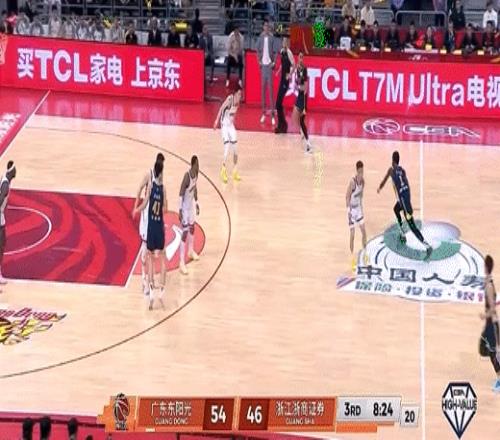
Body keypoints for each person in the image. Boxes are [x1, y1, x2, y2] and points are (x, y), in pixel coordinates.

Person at [377, 151, 432, 260]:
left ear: (392, 161)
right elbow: (406, 186)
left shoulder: (391, 170)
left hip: (404, 203)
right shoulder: (403, 171)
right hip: (405, 199)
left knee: (413, 227)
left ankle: (427, 247)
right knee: (396, 209)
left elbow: (384, 181)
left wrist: (379, 188)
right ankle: (402, 234)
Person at [134, 161, 167, 310]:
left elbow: (145, 203)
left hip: (151, 227)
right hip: (158, 226)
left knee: (150, 259)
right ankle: (160, 291)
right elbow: (165, 209)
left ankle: (151, 291)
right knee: (162, 258)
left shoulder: (151, 188)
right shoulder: (162, 188)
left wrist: (136, 209)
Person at [479, 255, 500, 392]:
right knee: (488, 351)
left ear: (486, 267)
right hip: (490, 323)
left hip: (492, 323)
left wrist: (484, 316)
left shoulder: (489, 285)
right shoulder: (488, 282)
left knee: (490, 352)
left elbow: (492, 308)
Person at [214, 87, 242, 183]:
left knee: (235, 149)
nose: (240, 96)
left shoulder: (238, 103)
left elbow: (234, 113)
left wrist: (233, 119)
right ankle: (223, 169)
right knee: (227, 146)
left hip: (230, 125)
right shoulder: (230, 99)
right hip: (224, 125)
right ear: (235, 94)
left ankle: (235, 171)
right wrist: (216, 121)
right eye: (239, 94)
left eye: (241, 95)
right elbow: (221, 108)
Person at [178, 156, 200, 275]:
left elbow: (195, 188)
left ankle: (190, 251)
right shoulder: (187, 176)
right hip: (185, 207)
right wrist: (180, 210)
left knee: (192, 228)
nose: (198, 166)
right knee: (185, 232)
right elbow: (181, 193)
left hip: (191, 205)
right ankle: (181, 262)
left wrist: (197, 203)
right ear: (193, 165)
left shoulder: (196, 174)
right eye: (197, 164)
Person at [347, 161, 368, 272]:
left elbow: (361, 196)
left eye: (362, 171)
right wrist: (348, 211)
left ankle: (365, 254)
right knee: (352, 235)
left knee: (364, 231)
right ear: (357, 171)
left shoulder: (363, 182)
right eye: (360, 172)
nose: (361, 174)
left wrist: (361, 209)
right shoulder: (352, 182)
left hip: (358, 209)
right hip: (351, 210)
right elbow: (347, 196)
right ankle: (352, 259)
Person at [257, 21, 277, 125]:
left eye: (268, 26)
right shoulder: (260, 38)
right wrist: (259, 61)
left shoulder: (272, 38)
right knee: (263, 90)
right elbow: (257, 50)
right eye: (265, 26)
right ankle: (263, 113)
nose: (266, 28)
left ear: (269, 28)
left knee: (270, 90)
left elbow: (275, 51)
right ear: (263, 27)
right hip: (263, 66)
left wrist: (274, 62)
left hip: (269, 66)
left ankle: (272, 114)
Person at [292, 52, 312, 153]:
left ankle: (308, 144)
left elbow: (305, 87)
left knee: (301, 120)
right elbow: (297, 82)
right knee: (295, 117)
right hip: (299, 96)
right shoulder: (297, 69)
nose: (300, 59)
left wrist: (299, 87)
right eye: (299, 57)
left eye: (302, 57)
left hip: (303, 98)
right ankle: (302, 133)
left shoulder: (304, 69)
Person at [275, 36, 295, 134]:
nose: (284, 43)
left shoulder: (289, 52)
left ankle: (282, 125)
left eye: (285, 41)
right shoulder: (282, 51)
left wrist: (289, 74)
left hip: (285, 80)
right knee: (278, 103)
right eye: (283, 41)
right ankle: (282, 124)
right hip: (282, 78)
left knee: (278, 103)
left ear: (287, 42)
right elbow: (282, 64)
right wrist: (278, 71)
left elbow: (293, 65)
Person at [0, 161, 15, 289]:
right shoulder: (5, 184)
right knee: (1, 245)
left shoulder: (5, 181)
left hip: (1, 218)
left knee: (2, 244)